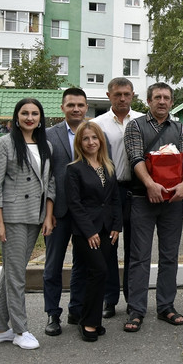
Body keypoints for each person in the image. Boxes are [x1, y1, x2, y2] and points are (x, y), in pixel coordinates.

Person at [123, 82, 183, 332]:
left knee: (169, 256)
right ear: (149, 101)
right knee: (139, 257)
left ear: (172, 102)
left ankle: (166, 306)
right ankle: (136, 310)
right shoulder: (135, 126)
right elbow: (135, 158)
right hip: (143, 199)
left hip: (173, 201)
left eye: (166, 98)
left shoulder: (181, 128)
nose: (162, 101)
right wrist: (150, 184)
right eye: (157, 97)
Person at [0, 98, 55, 350]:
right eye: (24, 113)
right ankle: (20, 329)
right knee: (16, 276)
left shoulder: (45, 145)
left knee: (11, 273)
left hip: (35, 217)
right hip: (13, 217)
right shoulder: (5, 144)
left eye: (34, 113)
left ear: (40, 117)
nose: (29, 117)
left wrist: (48, 216)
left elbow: (50, 184)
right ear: (17, 117)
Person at [65, 122, 122, 342]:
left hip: (108, 230)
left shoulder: (109, 166)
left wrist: (117, 226)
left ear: (101, 141)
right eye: (86, 139)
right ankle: (87, 321)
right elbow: (74, 204)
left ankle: (94, 320)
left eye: (94, 138)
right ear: (80, 142)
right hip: (86, 231)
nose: (91, 142)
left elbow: (115, 199)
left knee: (102, 273)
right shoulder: (74, 169)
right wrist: (89, 231)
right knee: (96, 271)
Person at [93, 77, 144, 318]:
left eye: (126, 94)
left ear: (133, 95)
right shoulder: (97, 125)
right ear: (108, 96)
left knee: (135, 248)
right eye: (117, 95)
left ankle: (133, 299)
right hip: (109, 193)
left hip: (137, 191)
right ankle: (109, 299)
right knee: (108, 247)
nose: (122, 98)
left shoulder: (143, 121)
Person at [44, 88, 89, 336]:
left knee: (82, 264)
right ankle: (52, 314)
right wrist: (47, 211)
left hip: (85, 212)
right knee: (53, 266)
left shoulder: (92, 134)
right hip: (57, 212)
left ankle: (76, 310)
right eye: (71, 105)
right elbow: (45, 176)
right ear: (62, 107)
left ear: (85, 108)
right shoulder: (49, 135)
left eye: (80, 105)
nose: (76, 109)